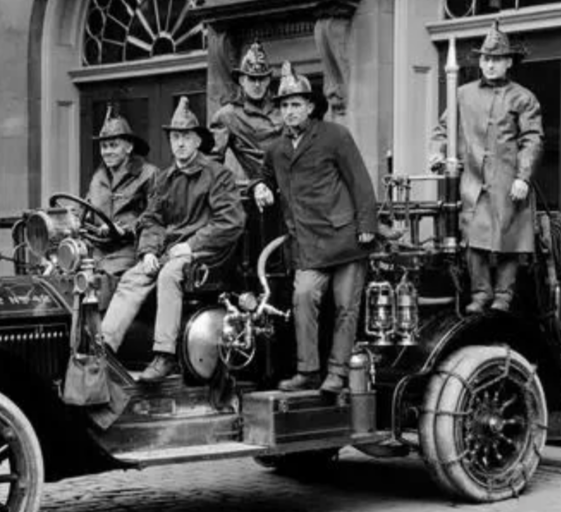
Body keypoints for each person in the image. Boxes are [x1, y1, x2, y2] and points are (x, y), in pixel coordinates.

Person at [101, 96, 245, 382]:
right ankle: (103, 349)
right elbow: (152, 219)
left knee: (168, 275)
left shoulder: (217, 176)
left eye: (186, 137)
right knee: (133, 276)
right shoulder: (164, 179)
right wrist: (148, 251)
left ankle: (164, 356)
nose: (179, 144)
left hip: (206, 253)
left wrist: (190, 246)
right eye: (175, 137)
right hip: (169, 251)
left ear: (197, 141)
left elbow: (231, 222)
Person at [255, 62, 377, 393]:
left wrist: (367, 224)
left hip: (347, 238)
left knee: (345, 308)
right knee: (303, 296)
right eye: (284, 105)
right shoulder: (276, 149)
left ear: (310, 107)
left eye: (296, 104)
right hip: (307, 243)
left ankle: (337, 373)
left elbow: (360, 181)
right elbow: (266, 175)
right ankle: (307, 371)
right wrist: (261, 187)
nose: (289, 111)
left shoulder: (335, 136)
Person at [429, 21, 544, 313]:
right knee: (474, 237)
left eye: (496, 59)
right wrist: (436, 152)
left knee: (510, 237)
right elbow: (444, 129)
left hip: (509, 180)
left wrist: (523, 178)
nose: (490, 65)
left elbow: (532, 140)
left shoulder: (524, 97)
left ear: (508, 63)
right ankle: (481, 294)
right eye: (485, 59)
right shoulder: (463, 94)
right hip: (474, 180)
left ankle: (504, 296)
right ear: (480, 61)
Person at [84, 106, 158, 301]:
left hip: (129, 251)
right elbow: (85, 208)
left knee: (101, 283)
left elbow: (155, 216)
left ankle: (103, 331)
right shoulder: (99, 177)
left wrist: (126, 229)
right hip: (96, 251)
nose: (107, 152)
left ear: (129, 147)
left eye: (113, 145)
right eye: (104, 147)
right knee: (65, 277)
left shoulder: (148, 174)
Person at [210, 41, 284, 185]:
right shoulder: (228, 116)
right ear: (242, 80)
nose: (257, 84)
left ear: (268, 80)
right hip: (259, 190)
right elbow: (212, 162)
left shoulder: (282, 109)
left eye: (261, 79)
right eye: (252, 79)